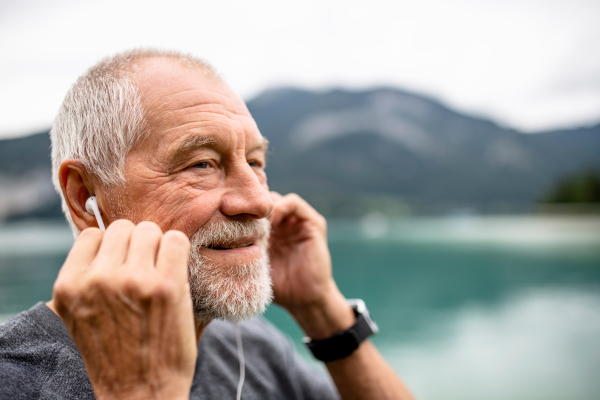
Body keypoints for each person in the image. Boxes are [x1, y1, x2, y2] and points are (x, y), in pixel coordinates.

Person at [0, 49, 413, 400]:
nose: (258, 202)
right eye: (202, 164)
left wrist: (323, 312)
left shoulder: (252, 346)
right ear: (84, 197)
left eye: (255, 163)